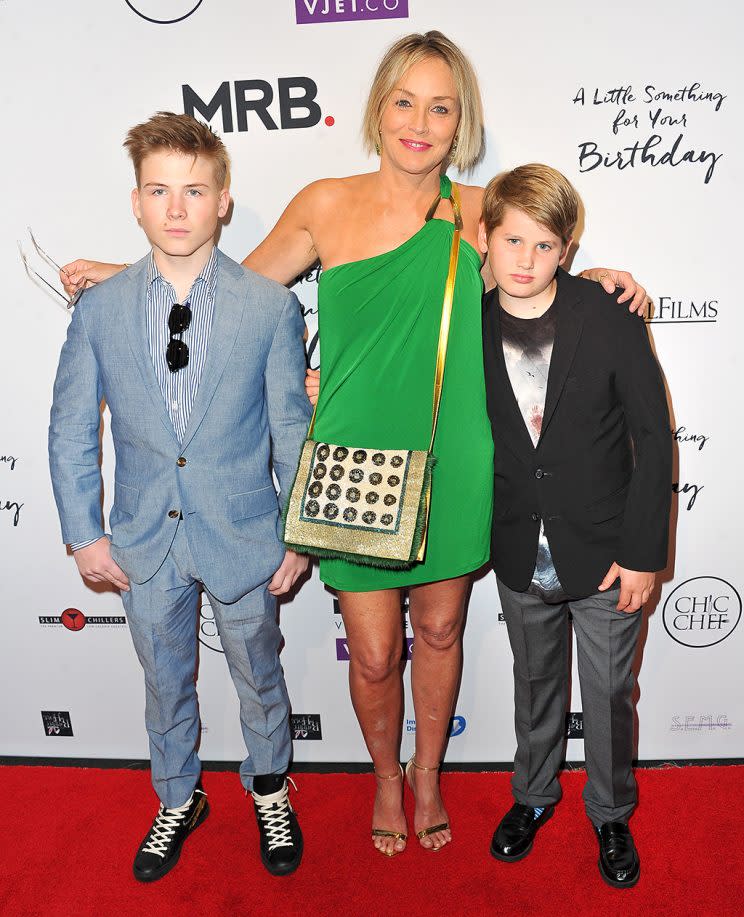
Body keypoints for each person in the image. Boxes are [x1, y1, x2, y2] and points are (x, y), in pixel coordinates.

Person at [60, 32, 649, 858]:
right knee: (374, 652)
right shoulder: (324, 203)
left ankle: (429, 774)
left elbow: (539, 261)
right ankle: (382, 774)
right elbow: (229, 286)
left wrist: (612, 279)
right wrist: (131, 271)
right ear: (378, 107)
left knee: (439, 635)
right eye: (405, 101)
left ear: (461, 122)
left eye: (440, 107)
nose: (420, 122)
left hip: (453, 459)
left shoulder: (477, 212)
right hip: (348, 469)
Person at [49, 113, 311, 882]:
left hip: (244, 533)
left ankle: (269, 787)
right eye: (159, 190)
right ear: (135, 201)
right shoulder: (99, 309)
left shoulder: (270, 307)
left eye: (193, 191)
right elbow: (71, 428)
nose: (175, 208)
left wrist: (298, 534)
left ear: (223, 201)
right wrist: (83, 535)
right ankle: (177, 797)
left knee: (259, 675)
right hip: (140, 538)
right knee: (164, 679)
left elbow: (292, 429)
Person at [480, 164, 671, 887]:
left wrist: (643, 553)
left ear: (568, 248)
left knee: (611, 692)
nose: (526, 260)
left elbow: (653, 438)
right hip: (517, 547)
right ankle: (531, 795)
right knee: (535, 685)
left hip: (607, 552)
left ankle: (612, 810)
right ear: (485, 239)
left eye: (545, 245)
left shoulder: (608, 312)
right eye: (513, 242)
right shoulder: (461, 321)